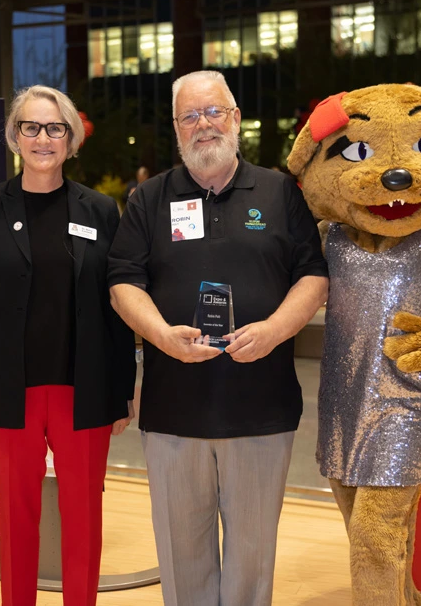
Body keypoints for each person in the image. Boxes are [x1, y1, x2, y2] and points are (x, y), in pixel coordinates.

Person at [107, 70, 329, 606]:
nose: (203, 125)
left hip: (260, 409)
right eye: (190, 115)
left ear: (234, 118)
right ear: (177, 127)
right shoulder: (149, 199)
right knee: (182, 558)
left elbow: (313, 276)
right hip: (174, 411)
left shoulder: (279, 193)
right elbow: (122, 283)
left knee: (253, 558)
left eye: (213, 112)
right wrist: (160, 335)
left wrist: (276, 330)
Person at [0, 85, 136, 606]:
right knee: (15, 518)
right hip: (9, 391)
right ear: (15, 136)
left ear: (72, 139)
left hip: (85, 390)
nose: (42, 138)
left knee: (83, 515)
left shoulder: (101, 210)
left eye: (55, 128)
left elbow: (117, 304)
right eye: (30, 127)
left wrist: (123, 387)